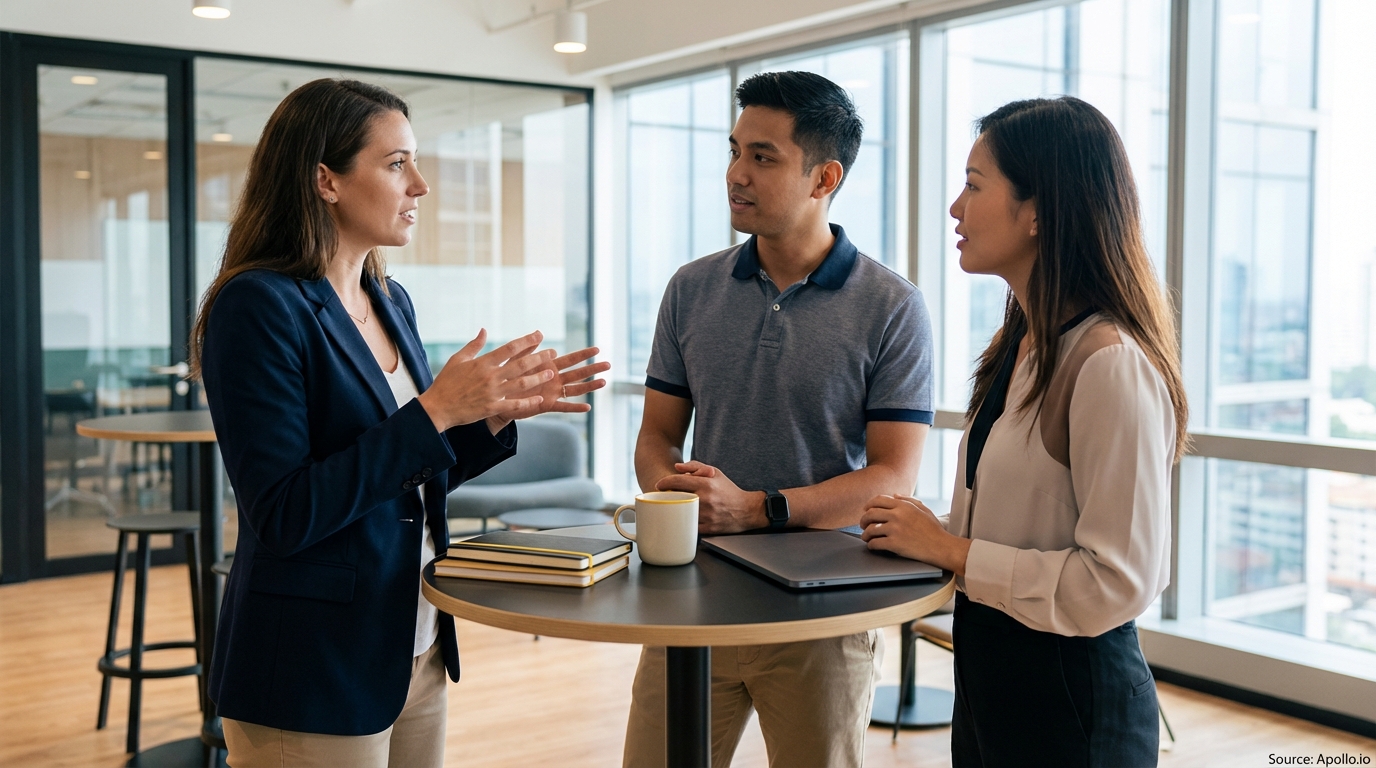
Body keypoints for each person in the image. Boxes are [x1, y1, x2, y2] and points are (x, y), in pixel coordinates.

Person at [190, 79, 608, 768]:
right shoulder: (259, 306)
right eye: (396, 163)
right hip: (313, 663)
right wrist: (438, 408)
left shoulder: (391, 300)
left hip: (413, 647)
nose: (421, 185)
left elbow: (409, 468)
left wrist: (486, 417)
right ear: (325, 179)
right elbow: (285, 512)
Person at [859, 96, 1188, 768]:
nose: (955, 207)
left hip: (1072, 700)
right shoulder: (1023, 347)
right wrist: (924, 532)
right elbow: (1022, 520)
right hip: (993, 677)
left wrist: (953, 550)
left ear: (1038, 211)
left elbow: (1117, 584)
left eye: (974, 186)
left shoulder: (1109, 364)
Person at [623, 71, 935, 768]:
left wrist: (755, 509)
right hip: (692, 602)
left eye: (762, 157)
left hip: (823, 615)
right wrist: (672, 496)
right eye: (734, 151)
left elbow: (892, 474)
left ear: (825, 177)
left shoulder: (892, 306)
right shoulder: (690, 288)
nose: (736, 174)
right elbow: (657, 438)